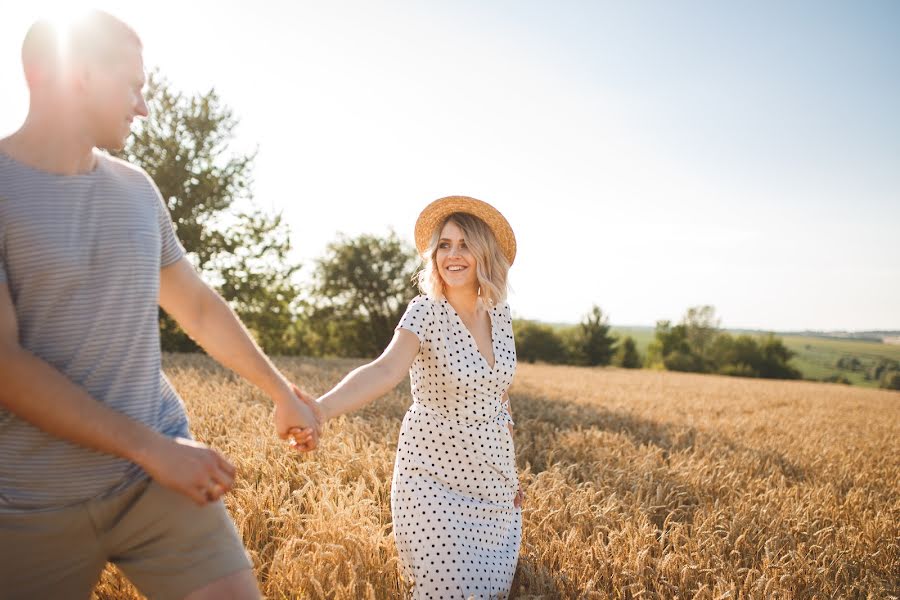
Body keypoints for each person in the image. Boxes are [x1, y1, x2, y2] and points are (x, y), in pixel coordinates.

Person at [0, 11, 319, 599]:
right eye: (133, 85)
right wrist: (155, 451)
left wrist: (279, 390)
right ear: (78, 74)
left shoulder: (137, 188)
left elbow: (195, 305)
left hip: (159, 484)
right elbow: (6, 368)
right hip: (30, 502)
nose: (143, 106)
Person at [292, 195, 523, 599]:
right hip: (433, 481)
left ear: (485, 252)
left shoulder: (499, 314)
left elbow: (498, 397)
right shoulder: (425, 311)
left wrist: (511, 474)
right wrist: (321, 408)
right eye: (445, 245)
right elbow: (384, 369)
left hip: (493, 487)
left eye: (464, 244)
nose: (452, 255)